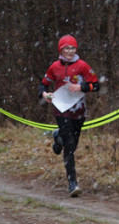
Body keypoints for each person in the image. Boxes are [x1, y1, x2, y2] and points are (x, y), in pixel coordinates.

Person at [39, 35, 99, 196]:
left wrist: (81, 87)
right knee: (70, 146)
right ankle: (72, 183)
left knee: (73, 143)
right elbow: (42, 85)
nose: (70, 51)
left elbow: (96, 85)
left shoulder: (83, 66)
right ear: (61, 50)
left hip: (79, 111)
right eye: (66, 48)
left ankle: (57, 138)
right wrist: (45, 95)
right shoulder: (54, 67)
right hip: (61, 110)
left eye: (72, 48)